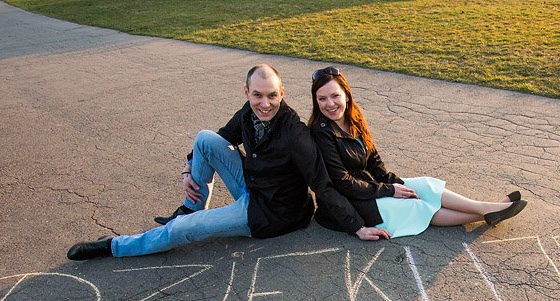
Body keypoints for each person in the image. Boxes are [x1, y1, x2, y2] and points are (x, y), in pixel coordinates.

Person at [67, 64, 369, 260]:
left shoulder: (296, 134)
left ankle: (114, 246)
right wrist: (189, 167)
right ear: (247, 92)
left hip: (270, 212)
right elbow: (221, 138)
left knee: (180, 230)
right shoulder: (250, 113)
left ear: (282, 93)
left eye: (272, 96)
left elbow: (323, 184)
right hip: (252, 185)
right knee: (204, 138)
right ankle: (191, 205)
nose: (265, 104)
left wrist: (357, 226)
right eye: (258, 95)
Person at [307, 67, 527, 240]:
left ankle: (489, 209)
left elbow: (374, 161)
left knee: (426, 186)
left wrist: (397, 184)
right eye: (322, 99)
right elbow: (341, 182)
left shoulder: (354, 118)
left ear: (346, 95)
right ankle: (491, 209)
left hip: (370, 186)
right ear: (316, 101)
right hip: (351, 202)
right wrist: (389, 190)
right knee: (417, 206)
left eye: (335, 96)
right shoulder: (321, 131)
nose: (330, 104)